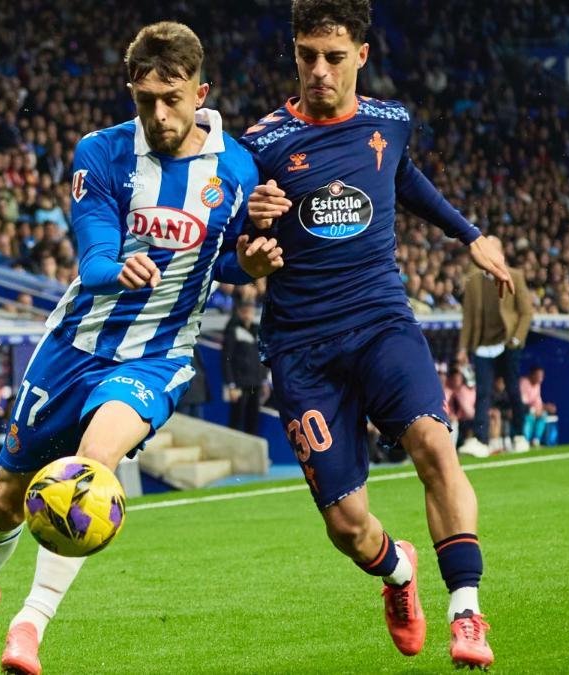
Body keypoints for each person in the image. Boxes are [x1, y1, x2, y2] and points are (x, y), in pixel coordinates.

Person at [0, 22, 283, 675]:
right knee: (7, 497)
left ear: (199, 91)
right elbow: (92, 253)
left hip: (159, 353)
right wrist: (115, 264)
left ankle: (29, 626)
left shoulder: (236, 167)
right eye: (145, 97)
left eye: (171, 97)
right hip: (75, 344)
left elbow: (220, 263)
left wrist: (250, 261)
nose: (158, 112)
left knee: (89, 472)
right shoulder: (102, 153)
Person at [241, 1, 511, 668]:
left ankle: (468, 612)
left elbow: (406, 180)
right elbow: (233, 244)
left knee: (433, 442)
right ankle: (397, 572)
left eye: (333, 57)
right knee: (347, 525)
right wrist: (248, 250)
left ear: (362, 55)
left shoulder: (389, 123)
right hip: (302, 347)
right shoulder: (259, 145)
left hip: (381, 321)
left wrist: (470, 235)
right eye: (307, 55)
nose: (319, 70)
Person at [458, 235, 534, 457]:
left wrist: (517, 339)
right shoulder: (473, 281)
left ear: (500, 253)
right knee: (483, 393)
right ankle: (481, 441)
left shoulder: (515, 276)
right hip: (483, 345)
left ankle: (519, 435)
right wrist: (463, 348)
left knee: (512, 390)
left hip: (508, 342)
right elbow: (469, 318)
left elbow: (526, 311)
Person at [222, 297, 267, 433]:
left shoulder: (257, 331)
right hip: (239, 384)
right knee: (236, 421)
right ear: (240, 312)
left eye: (251, 311)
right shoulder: (232, 330)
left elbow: (262, 358)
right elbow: (226, 360)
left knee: (252, 422)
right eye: (245, 311)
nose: (248, 314)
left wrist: (264, 380)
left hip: (256, 384)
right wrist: (231, 385)